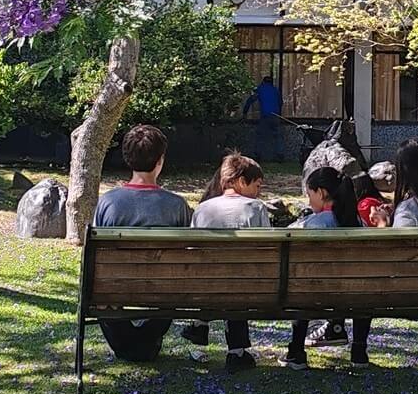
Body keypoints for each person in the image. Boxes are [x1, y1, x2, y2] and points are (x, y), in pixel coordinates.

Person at [92, 124, 193, 360]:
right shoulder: (177, 205)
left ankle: (128, 345)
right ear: (160, 160)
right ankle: (144, 343)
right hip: (166, 289)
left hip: (115, 286)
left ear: (127, 158)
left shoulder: (108, 202)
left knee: (104, 295)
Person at [184, 154, 269, 370]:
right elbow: (269, 250)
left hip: (206, 286)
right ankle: (237, 351)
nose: (259, 192)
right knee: (238, 278)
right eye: (257, 185)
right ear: (241, 181)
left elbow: (193, 251)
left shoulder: (203, 209)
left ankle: (200, 328)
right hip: (245, 286)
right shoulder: (256, 208)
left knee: (216, 277)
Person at [284, 167, 371, 370]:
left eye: (310, 194)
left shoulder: (315, 223)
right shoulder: (358, 222)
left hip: (314, 293)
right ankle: (359, 351)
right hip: (356, 294)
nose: (308, 201)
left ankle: (296, 351)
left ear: (321, 193)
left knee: (302, 286)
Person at [242, 74, 286, 161]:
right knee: (277, 136)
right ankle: (280, 155)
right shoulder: (275, 90)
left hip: (265, 115)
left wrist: (245, 112)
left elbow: (251, 100)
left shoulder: (260, 89)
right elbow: (280, 102)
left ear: (263, 82)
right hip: (275, 115)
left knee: (260, 135)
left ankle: (257, 154)